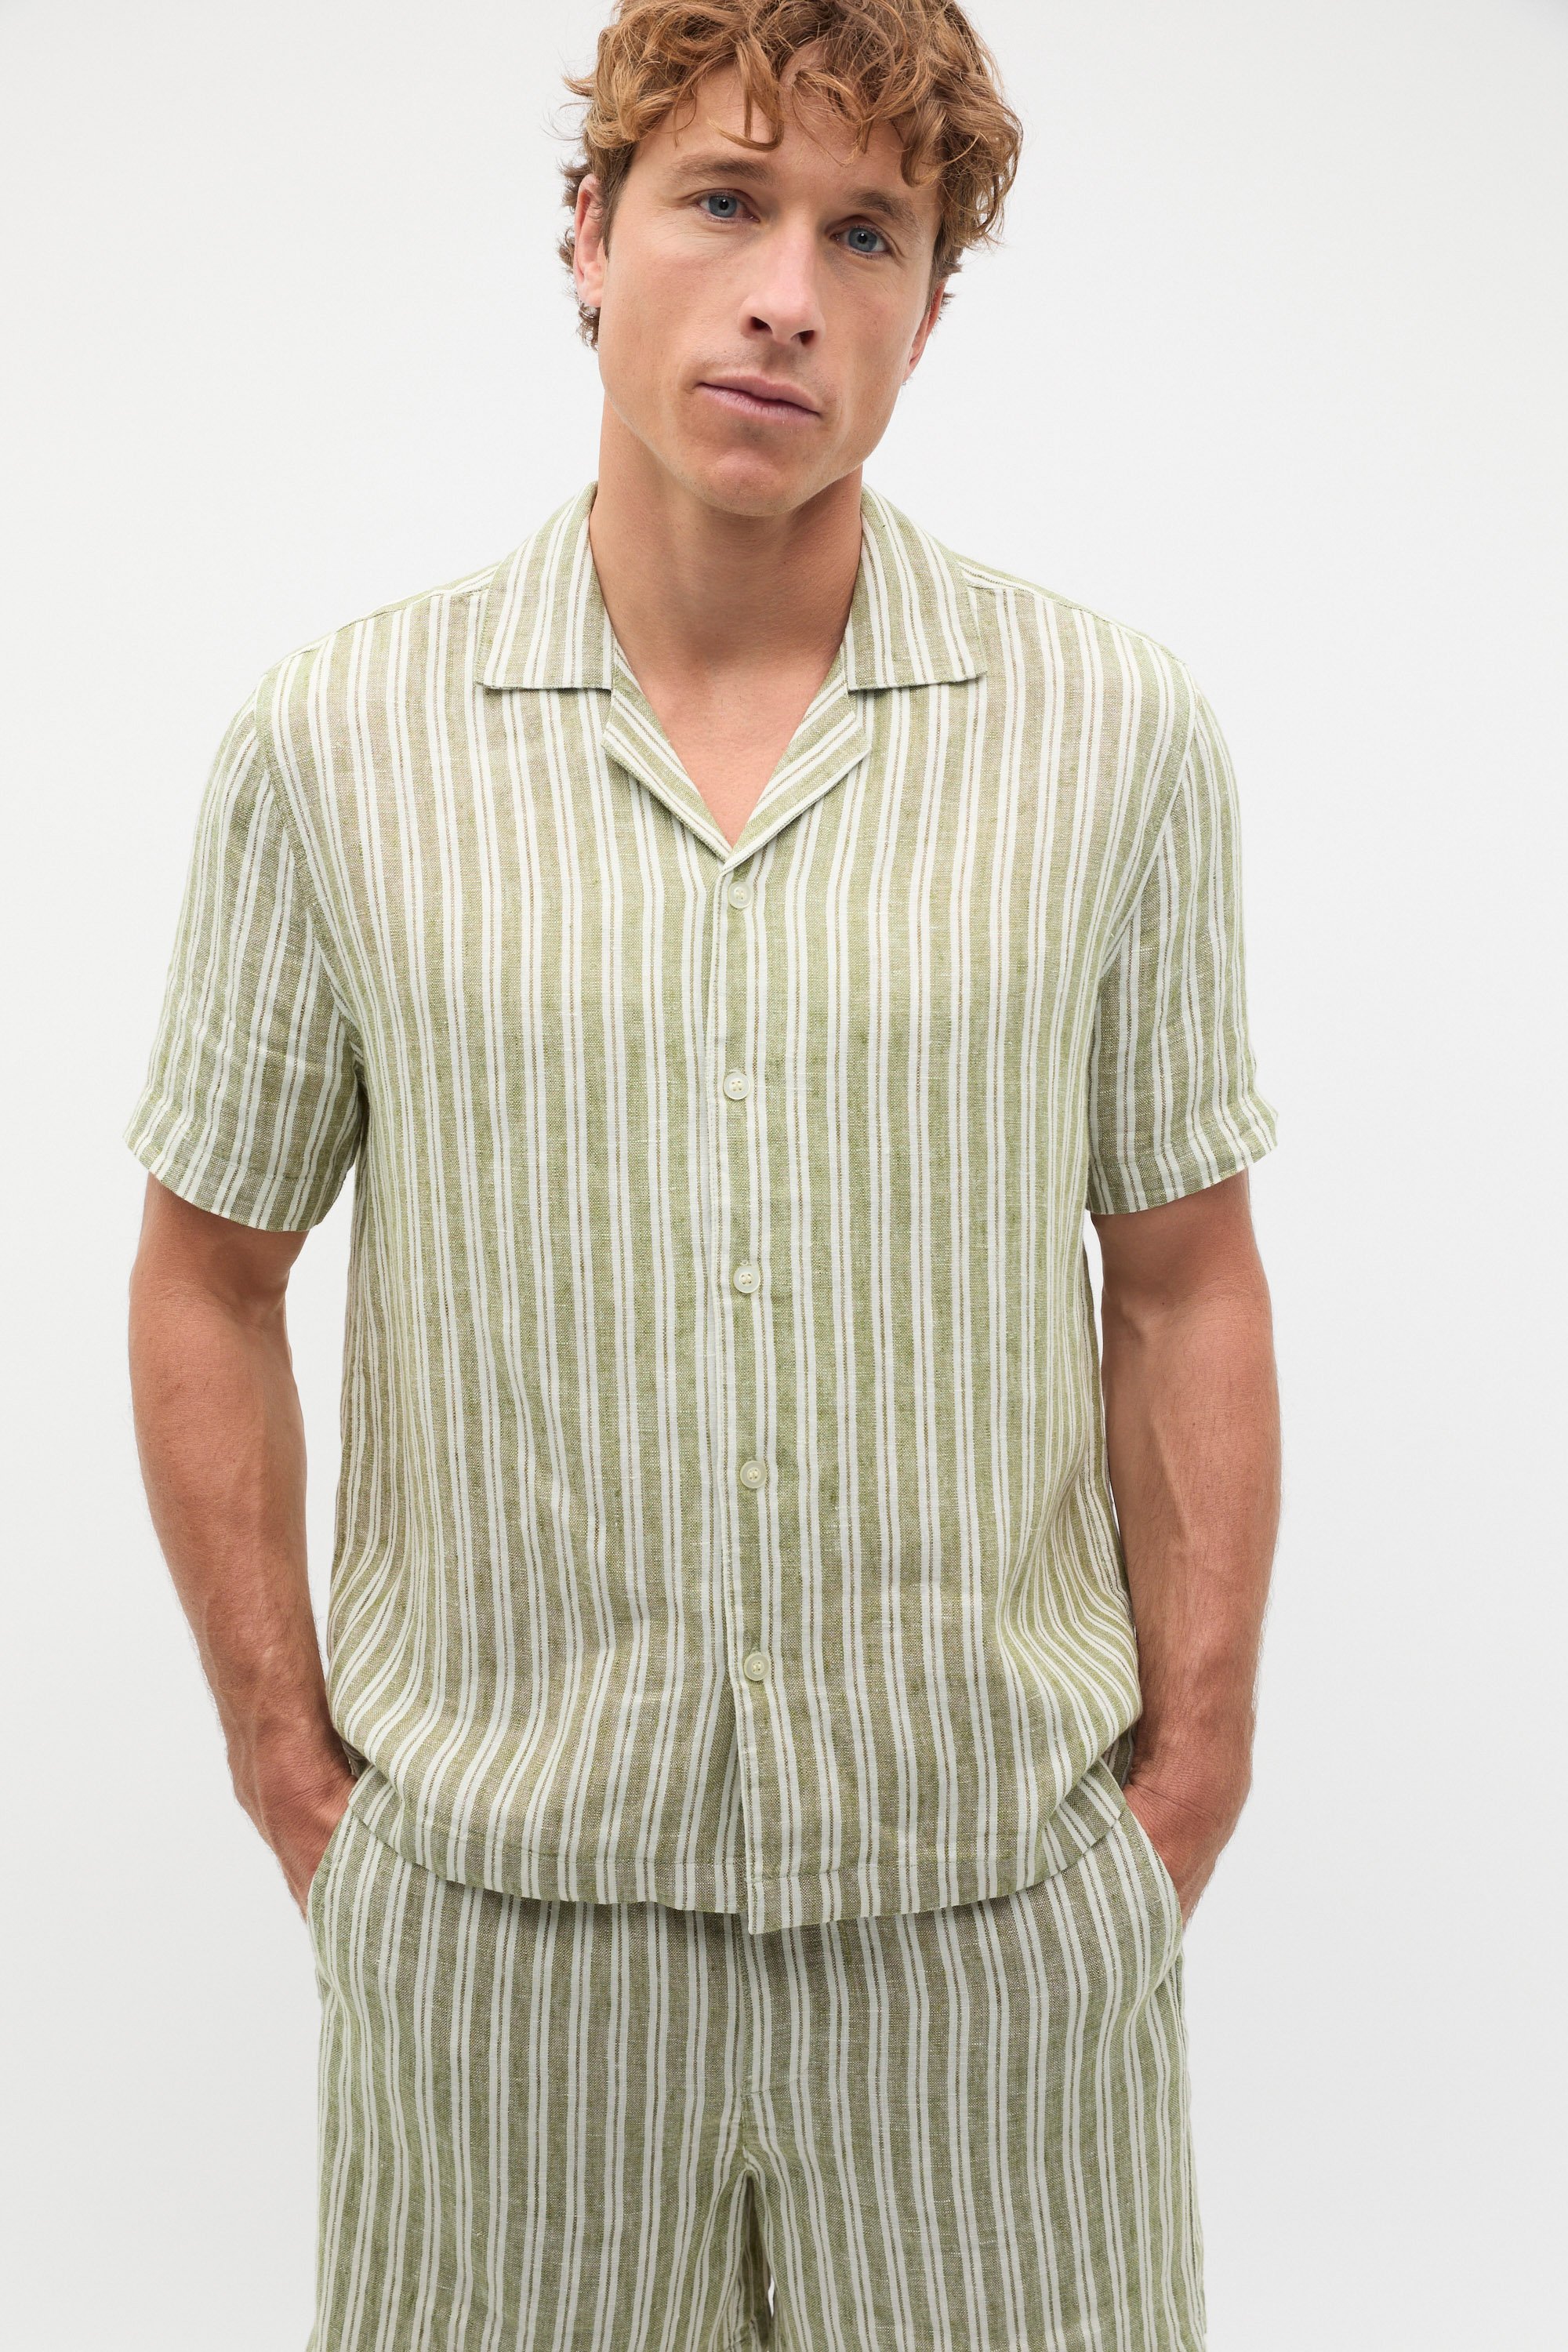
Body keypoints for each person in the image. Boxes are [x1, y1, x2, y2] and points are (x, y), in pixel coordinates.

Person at [123, 3, 1280, 2344]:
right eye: (724, 200)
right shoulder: (338, 745)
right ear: (589, 232)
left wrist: (1181, 1800)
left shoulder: (1113, 738)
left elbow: (1181, 1276)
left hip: (989, 1943)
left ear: (930, 308)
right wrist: (295, 1782)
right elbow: (208, 1272)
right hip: (501, 1958)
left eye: (869, 234)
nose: (787, 295)